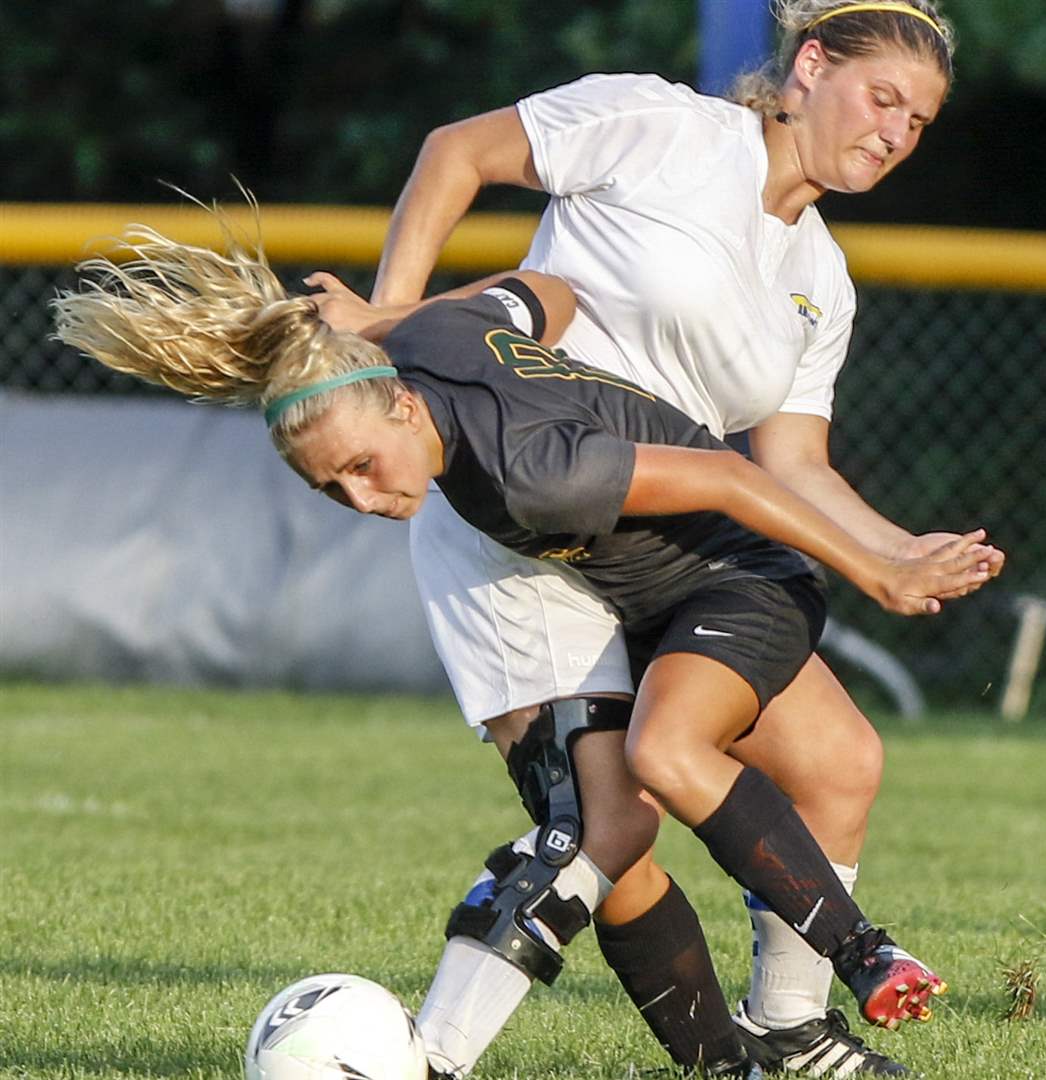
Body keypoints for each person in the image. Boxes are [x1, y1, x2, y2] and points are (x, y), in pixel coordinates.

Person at [53, 224, 997, 1077]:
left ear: (401, 410)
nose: (361, 499)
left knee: (656, 763)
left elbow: (727, 474)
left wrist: (883, 572)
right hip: (661, 597)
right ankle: (763, 1052)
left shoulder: (528, 474)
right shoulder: (429, 342)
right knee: (782, 777)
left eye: (361, 466)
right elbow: (548, 292)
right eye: (331, 489)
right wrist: (390, 316)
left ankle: (863, 954)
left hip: (740, 578)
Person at [307, 1, 996, 1074]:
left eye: (920, 120)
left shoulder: (821, 277)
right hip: (518, 537)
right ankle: (449, 1058)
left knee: (839, 760)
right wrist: (384, 334)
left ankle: (791, 1031)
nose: (898, 132)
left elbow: (792, 466)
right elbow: (458, 150)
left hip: (671, 530)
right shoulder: (661, 127)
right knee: (609, 830)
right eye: (884, 98)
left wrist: (902, 551)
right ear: (810, 66)